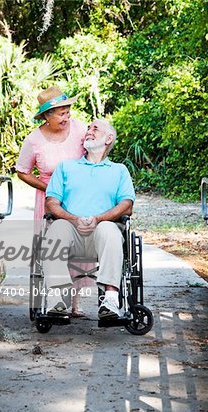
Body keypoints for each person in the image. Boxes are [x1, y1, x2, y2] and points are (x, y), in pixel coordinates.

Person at [43, 119, 135, 319]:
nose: (89, 131)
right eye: (88, 128)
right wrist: (74, 219)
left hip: (102, 234)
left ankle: (110, 299)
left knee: (110, 229)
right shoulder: (66, 167)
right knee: (56, 228)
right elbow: (51, 203)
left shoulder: (119, 170)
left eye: (95, 128)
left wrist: (98, 219)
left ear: (108, 138)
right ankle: (57, 297)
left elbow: (127, 205)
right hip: (71, 231)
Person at [15, 85, 87, 317]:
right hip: (48, 198)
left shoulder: (79, 129)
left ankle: (75, 302)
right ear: (47, 116)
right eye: (61, 113)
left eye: (68, 111)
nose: (67, 117)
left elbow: (96, 154)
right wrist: (50, 188)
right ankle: (57, 300)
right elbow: (22, 171)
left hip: (78, 195)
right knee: (55, 247)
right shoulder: (34, 140)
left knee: (79, 248)